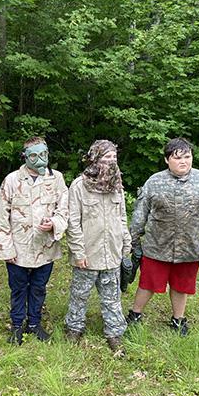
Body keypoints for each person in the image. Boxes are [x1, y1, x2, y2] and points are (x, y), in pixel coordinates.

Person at [127, 137, 199, 336]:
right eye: (177, 157)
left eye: (187, 157)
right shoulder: (154, 181)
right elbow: (139, 213)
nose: (184, 162)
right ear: (166, 160)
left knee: (182, 286)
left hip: (190, 247)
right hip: (157, 245)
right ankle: (135, 315)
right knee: (148, 283)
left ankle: (178, 320)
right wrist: (133, 241)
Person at [0, 136, 68, 344]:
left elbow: (65, 209)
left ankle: (34, 323)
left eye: (43, 155)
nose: (40, 160)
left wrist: (54, 223)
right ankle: (17, 326)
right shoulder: (12, 180)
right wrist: (6, 250)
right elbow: (1, 217)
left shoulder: (57, 179)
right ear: (25, 156)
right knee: (18, 288)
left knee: (38, 287)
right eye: (34, 155)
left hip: (45, 247)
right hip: (19, 247)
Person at [63, 140, 131, 354]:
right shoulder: (79, 186)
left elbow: (121, 217)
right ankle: (74, 328)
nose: (111, 162)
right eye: (105, 158)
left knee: (112, 295)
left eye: (114, 158)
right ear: (94, 159)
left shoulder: (116, 186)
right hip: (87, 253)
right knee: (79, 294)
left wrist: (126, 244)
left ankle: (114, 332)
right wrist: (78, 251)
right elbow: (73, 222)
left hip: (111, 250)